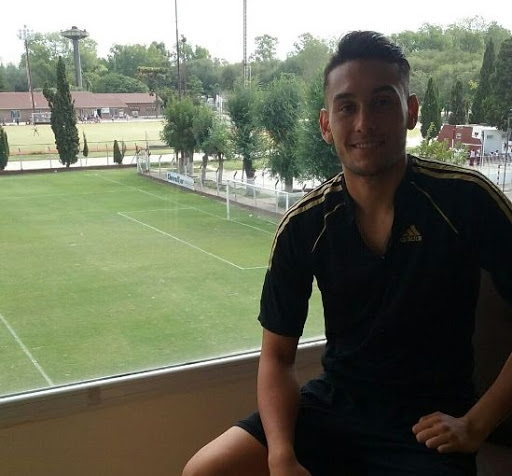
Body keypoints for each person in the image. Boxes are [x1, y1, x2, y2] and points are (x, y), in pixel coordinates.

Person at [182, 31, 512, 476]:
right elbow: (277, 357)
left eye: (382, 102)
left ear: (411, 111)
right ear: (326, 124)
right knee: (204, 470)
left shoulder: (466, 200)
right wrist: (281, 455)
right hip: (332, 408)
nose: (364, 123)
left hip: (426, 424)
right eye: (347, 107)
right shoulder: (304, 225)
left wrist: (475, 424)